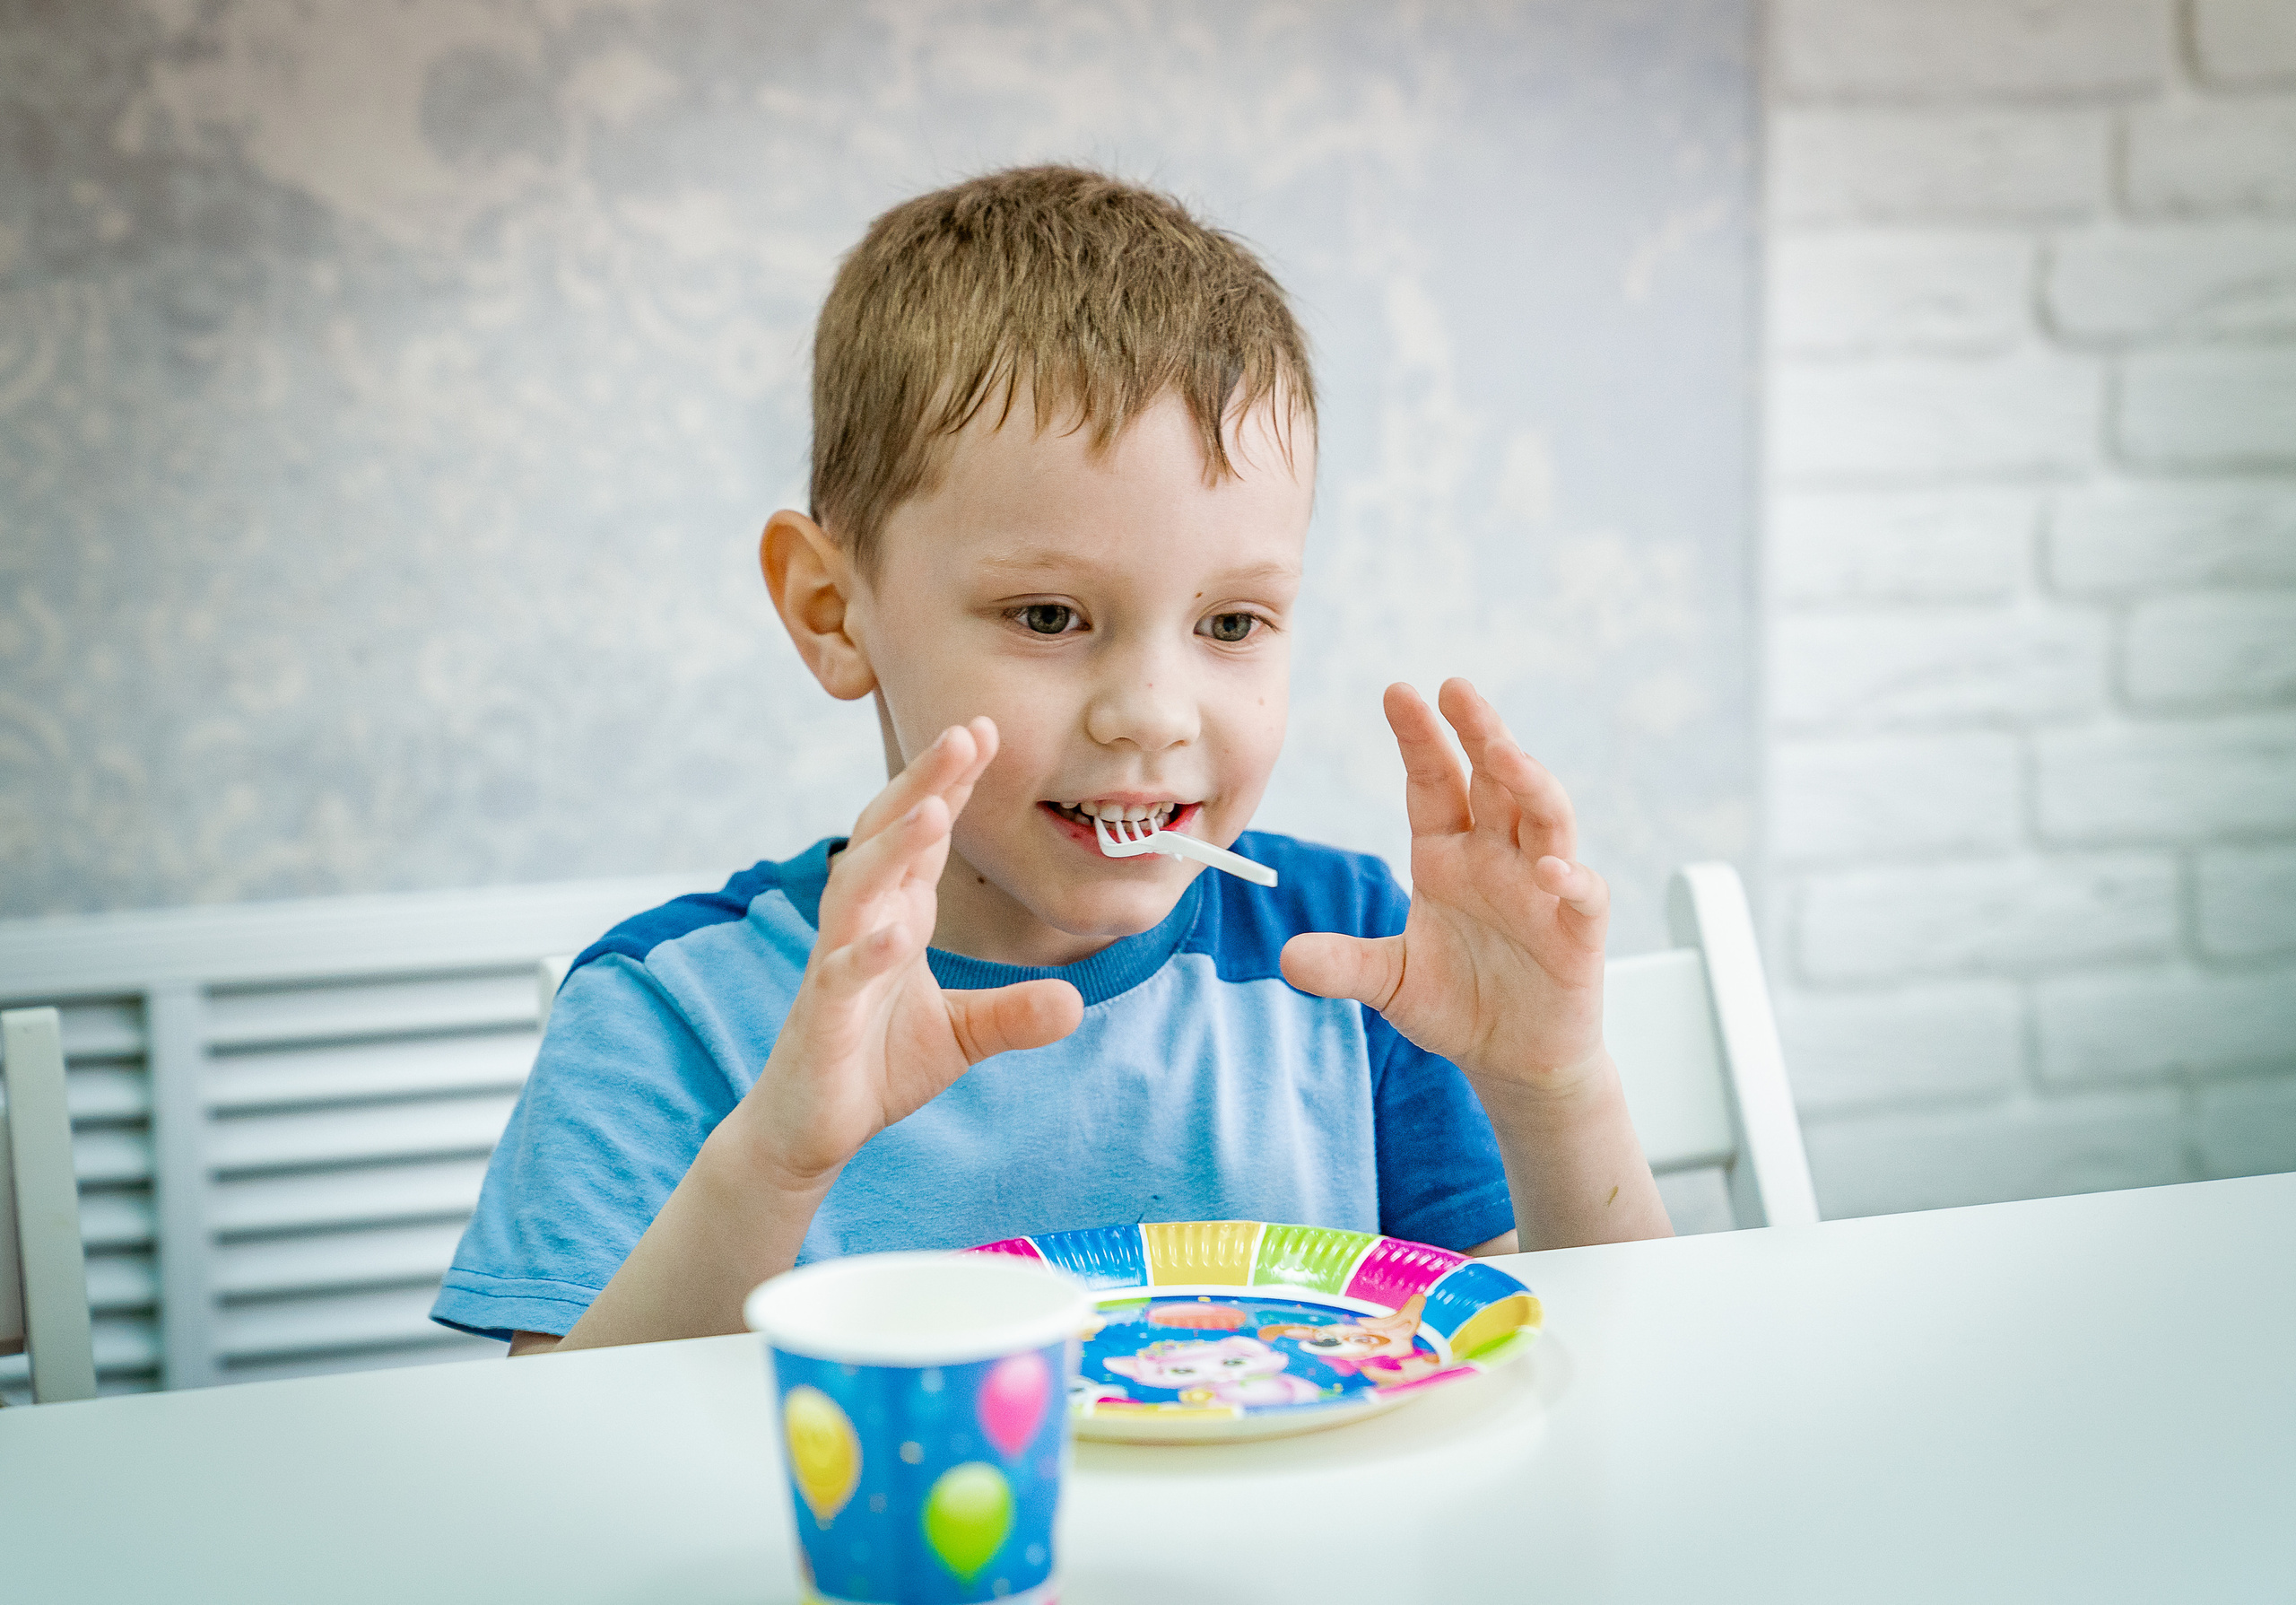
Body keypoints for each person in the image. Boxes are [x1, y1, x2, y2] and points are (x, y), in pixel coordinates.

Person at [429, 166, 1673, 1356]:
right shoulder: (670, 1012)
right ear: (831, 608)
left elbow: (1582, 1378)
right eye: (1048, 616)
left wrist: (1553, 1086)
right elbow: (573, 1454)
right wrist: (775, 1161)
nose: (1153, 715)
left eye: (1231, 623)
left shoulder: (1359, 962)